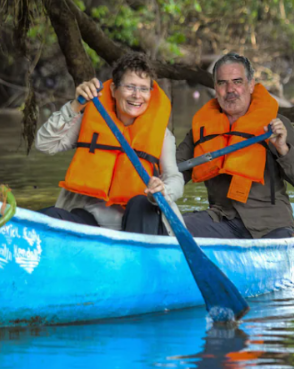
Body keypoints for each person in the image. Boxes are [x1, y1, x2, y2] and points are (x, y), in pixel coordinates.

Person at [35, 53, 184, 235]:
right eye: (130, 87)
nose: (137, 96)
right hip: (91, 220)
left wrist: (163, 190)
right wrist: (75, 106)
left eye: (144, 89)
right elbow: (44, 144)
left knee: (140, 203)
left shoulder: (162, 135)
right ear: (114, 89)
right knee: (48, 216)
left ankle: (139, 258)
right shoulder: (90, 121)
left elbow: (175, 178)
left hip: (139, 223)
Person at [176, 52, 294, 239]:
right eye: (222, 83)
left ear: (251, 85)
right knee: (169, 227)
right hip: (222, 221)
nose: (230, 89)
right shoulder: (201, 130)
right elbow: (173, 172)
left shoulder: (275, 125)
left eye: (237, 81)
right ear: (215, 89)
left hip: (270, 225)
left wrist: (283, 148)